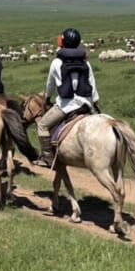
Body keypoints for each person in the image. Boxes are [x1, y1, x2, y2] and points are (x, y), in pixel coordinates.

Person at [34, 27, 99, 167]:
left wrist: (47, 98)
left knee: (42, 126)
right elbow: (92, 83)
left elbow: (50, 85)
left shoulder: (57, 62)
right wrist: (94, 102)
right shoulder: (85, 62)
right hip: (85, 105)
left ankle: (47, 158)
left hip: (66, 106)